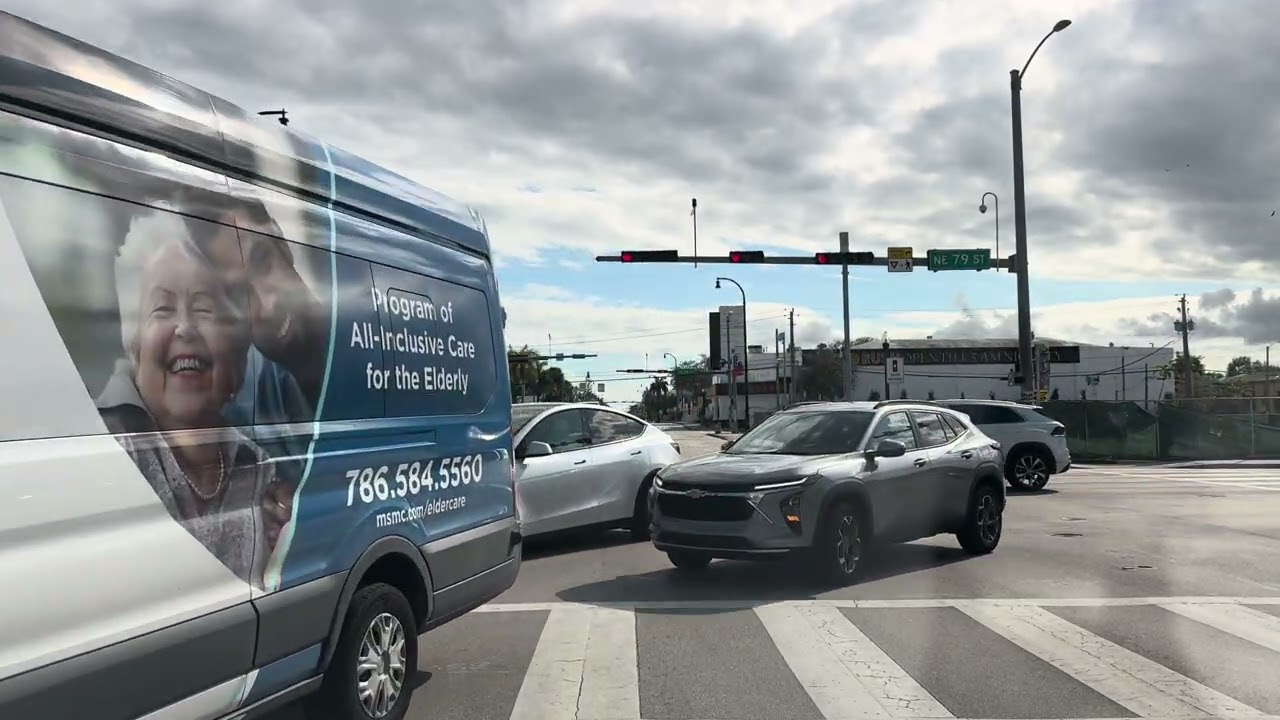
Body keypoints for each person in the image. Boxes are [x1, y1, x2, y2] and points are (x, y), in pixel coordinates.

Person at [96, 203, 286, 587]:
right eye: (162, 308)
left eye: (204, 309)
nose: (185, 327)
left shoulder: (257, 466)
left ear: (233, 353)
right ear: (133, 344)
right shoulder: (109, 451)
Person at [181, 193, 330, 487]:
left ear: (283, 244)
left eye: (263, 262)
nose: (268, 304)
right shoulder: (247, 417)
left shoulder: (376, 350)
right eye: (239, 294)